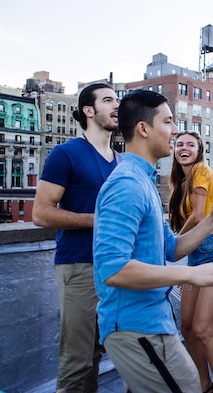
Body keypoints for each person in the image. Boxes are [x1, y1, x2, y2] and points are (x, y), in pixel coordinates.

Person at [93, 89, 213, 393]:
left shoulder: (144, 181)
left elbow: (171, 248)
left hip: (152, 324)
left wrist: (212, 219)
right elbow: (113, 270)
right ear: (143, 129)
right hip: (137, 327)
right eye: (168, 122)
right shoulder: (127, 184)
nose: (174, 131)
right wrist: (191, 273)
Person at [32, 83, 120, 393]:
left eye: (117, 99)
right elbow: (41, 213)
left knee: (98, 354)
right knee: (77, 361)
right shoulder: (66, 153)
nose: (116, 105)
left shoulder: (122, 161)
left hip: (118, 270)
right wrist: (98, 221)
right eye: (108, 100)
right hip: (79, 266)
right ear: (88, 110)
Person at [168, 131, 213, 393]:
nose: (184, 148)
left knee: (202, 328)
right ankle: (203, 384)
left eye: (190, 145)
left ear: (199, 150)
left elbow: (198, 216)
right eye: (180, 144)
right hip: (196, 255)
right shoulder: (180, 181)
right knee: (186, 327)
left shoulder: (200, 170)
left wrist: (174, 244)